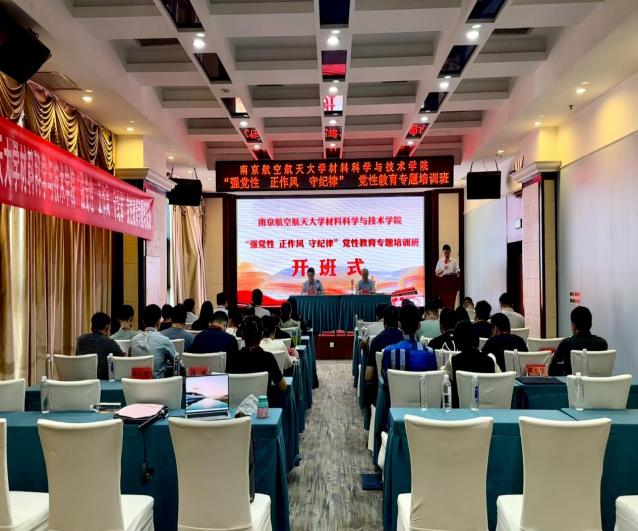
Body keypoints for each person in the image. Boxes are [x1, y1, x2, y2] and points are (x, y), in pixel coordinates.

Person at [226, 315, 287, 405]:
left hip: (236, 408)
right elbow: (283, 386)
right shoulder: (268, 358)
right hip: (262, 409)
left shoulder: (231, 358)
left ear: (242, 336)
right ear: (262, 335)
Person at [445, 320, 497, 408]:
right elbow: (500, 379)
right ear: (476, 337)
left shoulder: (453, 361)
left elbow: (442, 378)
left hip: (460, 412)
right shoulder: (490, 361)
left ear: (456, 340)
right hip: (487, 411)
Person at [381, 302, 437, 383]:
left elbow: (385, 381)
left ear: (399, 324)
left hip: (397, 391)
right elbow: (431, 381)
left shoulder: (388, 352)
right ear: (419, 326)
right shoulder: (430, 353)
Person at [549, 306, 608, 376]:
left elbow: (552, 367)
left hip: (571, 382)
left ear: (573, 325)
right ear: (590, 324)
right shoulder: (602, 344)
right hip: (596, 382)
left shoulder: (566, 343)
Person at [364, 305, 404, 405]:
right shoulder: (405, 339)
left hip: (384, 398)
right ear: (398, 322)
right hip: (407, 394)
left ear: (384, 322)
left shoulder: (376, 341)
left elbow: (368, 376)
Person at [130, 304, 177, 379]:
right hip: (159, 385)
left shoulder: (133, 341)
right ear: (158, 322)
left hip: (137, 385)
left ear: (143, 322)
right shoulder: (164, 341)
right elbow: (177, 363)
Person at [76, 312, 124, 380]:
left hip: (82, 381)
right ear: (107, 327)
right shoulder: (109, 342)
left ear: (92, 327)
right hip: (102, 382)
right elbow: (121, 359)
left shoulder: (80, 340)